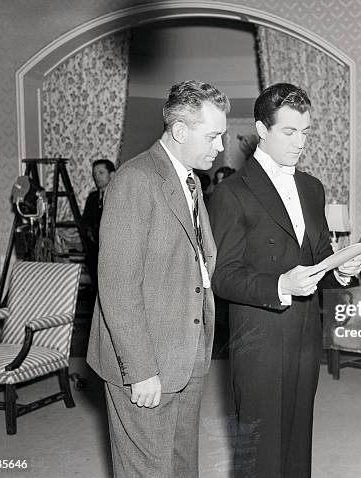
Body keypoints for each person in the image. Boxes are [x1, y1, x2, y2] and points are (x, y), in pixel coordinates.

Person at [208, 82, 361, 477]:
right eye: (289, 132)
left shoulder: (312, 188)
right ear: (262, 130)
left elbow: (317, 258)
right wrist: (280, 285)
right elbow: (222, 276)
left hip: (305, 333)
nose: (300, 142)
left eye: (306, 132)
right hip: (259, 335)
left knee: (298, 437)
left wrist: (341, 271)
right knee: (259, 448)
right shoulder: (231, 193)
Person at [86, 80, 229, 477]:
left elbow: (199, 259)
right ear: (181, 131)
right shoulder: (134, 181)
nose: (220, 147)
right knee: (146, 470)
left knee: (182, 465)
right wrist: (142, 369)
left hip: (187, 353)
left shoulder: (191, 180)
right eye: (213, 136)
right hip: (146, 361)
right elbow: (117, 286)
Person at [81, 159, 115, 288]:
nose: (97, 177)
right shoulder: (92, 198)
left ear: (112, 175)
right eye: (95, 174)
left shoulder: (119, 195)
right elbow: (86, 221)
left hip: (112, 250)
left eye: (101, 172)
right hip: (94, 251)